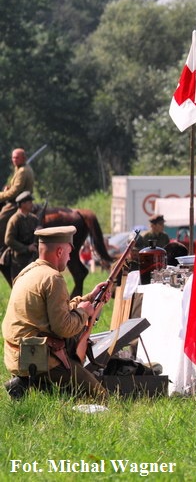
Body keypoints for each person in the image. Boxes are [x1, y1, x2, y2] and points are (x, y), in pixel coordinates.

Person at [3, 226, 109, 400]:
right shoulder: (53, 278)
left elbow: (55, 310)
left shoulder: (27, 272)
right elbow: (64, 328)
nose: (69, 258)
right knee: (99, 396)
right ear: (59, 252)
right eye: (69, 253)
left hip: (18, 356)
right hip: (39, 359)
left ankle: (29, 384)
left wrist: (90, 298)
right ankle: (36, 384)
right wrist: (84, 313)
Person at [0, 149, 35, 251]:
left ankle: (2, 245)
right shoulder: (20, 169)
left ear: (24, 158)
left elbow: (14, 192)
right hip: (19, 198)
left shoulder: (22, 171)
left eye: (17, 158)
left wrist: (1, 195)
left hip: (18, 202)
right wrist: (8, 188)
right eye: (13, 157)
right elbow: (15, 187)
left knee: (1, 219)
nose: (14, 160)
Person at [4, 191, 39, 280]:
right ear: (23, 204)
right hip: (19, 260)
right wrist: (26, 248)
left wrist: (39, 232)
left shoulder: (34, 219)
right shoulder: (14, 219)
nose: (32, 204)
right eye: (29, 202)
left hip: (32, 258)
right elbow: (8, 240)